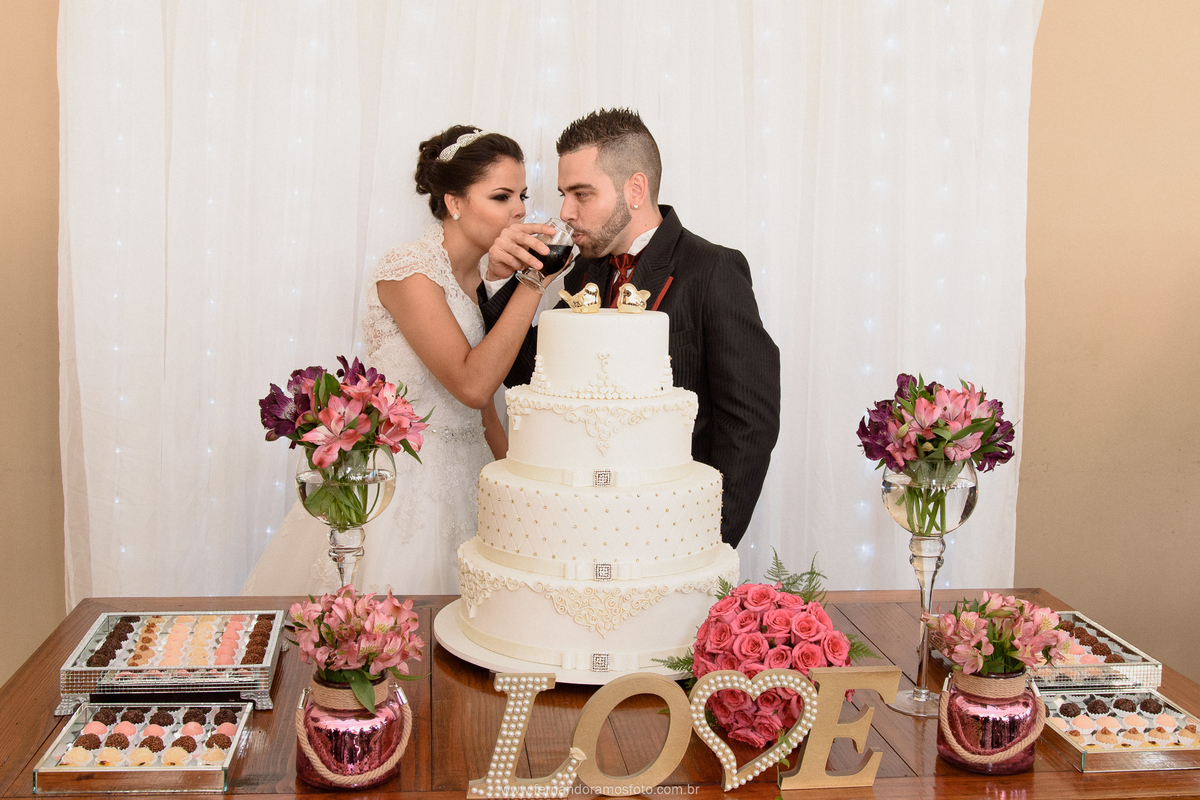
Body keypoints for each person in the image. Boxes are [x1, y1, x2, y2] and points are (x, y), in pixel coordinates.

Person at [243, 126, 559, 596]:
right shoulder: (409, 271)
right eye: (501, 196)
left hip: (471, 476)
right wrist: (534, 284)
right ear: (454, 202)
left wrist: (522, 490)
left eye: (522, 195)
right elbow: (470, 384)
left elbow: (484, 407)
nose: (519, 209)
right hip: (406, 481)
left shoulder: (487, 279)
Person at [480, 109, 780, 548]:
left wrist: (706, 541)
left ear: (635, 189)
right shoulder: (580, 273)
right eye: (564, 194)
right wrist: (501, 280)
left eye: (582, 194)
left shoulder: (713, 270)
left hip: (673, 527)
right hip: (581, 528)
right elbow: (530, 376)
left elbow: (749, 423)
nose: (566, 211)